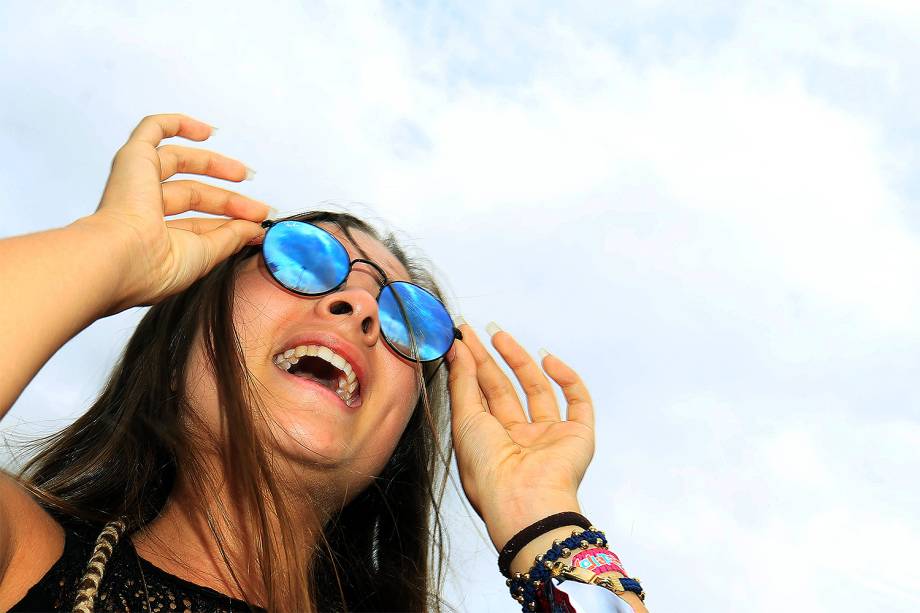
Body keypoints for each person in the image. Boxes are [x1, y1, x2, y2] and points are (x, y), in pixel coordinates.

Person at [0, 113, 648, 612]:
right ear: (176, 350)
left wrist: (542, 519)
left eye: (405, 319)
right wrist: (110, 247)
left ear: (398, 441)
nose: (360, 306)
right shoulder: (22, 554)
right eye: (301, 260)